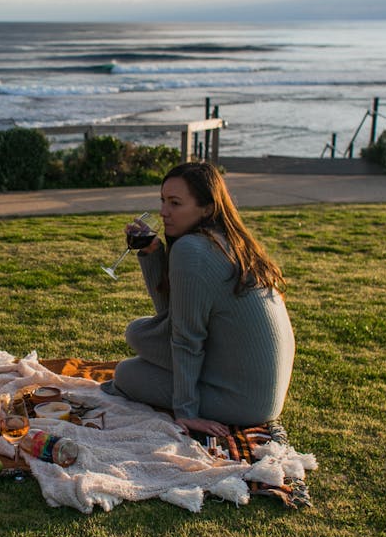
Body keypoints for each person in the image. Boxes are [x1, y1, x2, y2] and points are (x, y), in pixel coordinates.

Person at [104, 162, 295, 438]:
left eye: (175, 203)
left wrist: (186, 412)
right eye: (163, 200)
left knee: (127, 371)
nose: (163, 211)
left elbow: (186, 339)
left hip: (242, 402)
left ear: (206, 208)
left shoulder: (190, 250)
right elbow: (173, 315)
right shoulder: (227, 241)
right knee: (140, 332)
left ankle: (190, 396)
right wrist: (152, 254)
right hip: (262, 393)